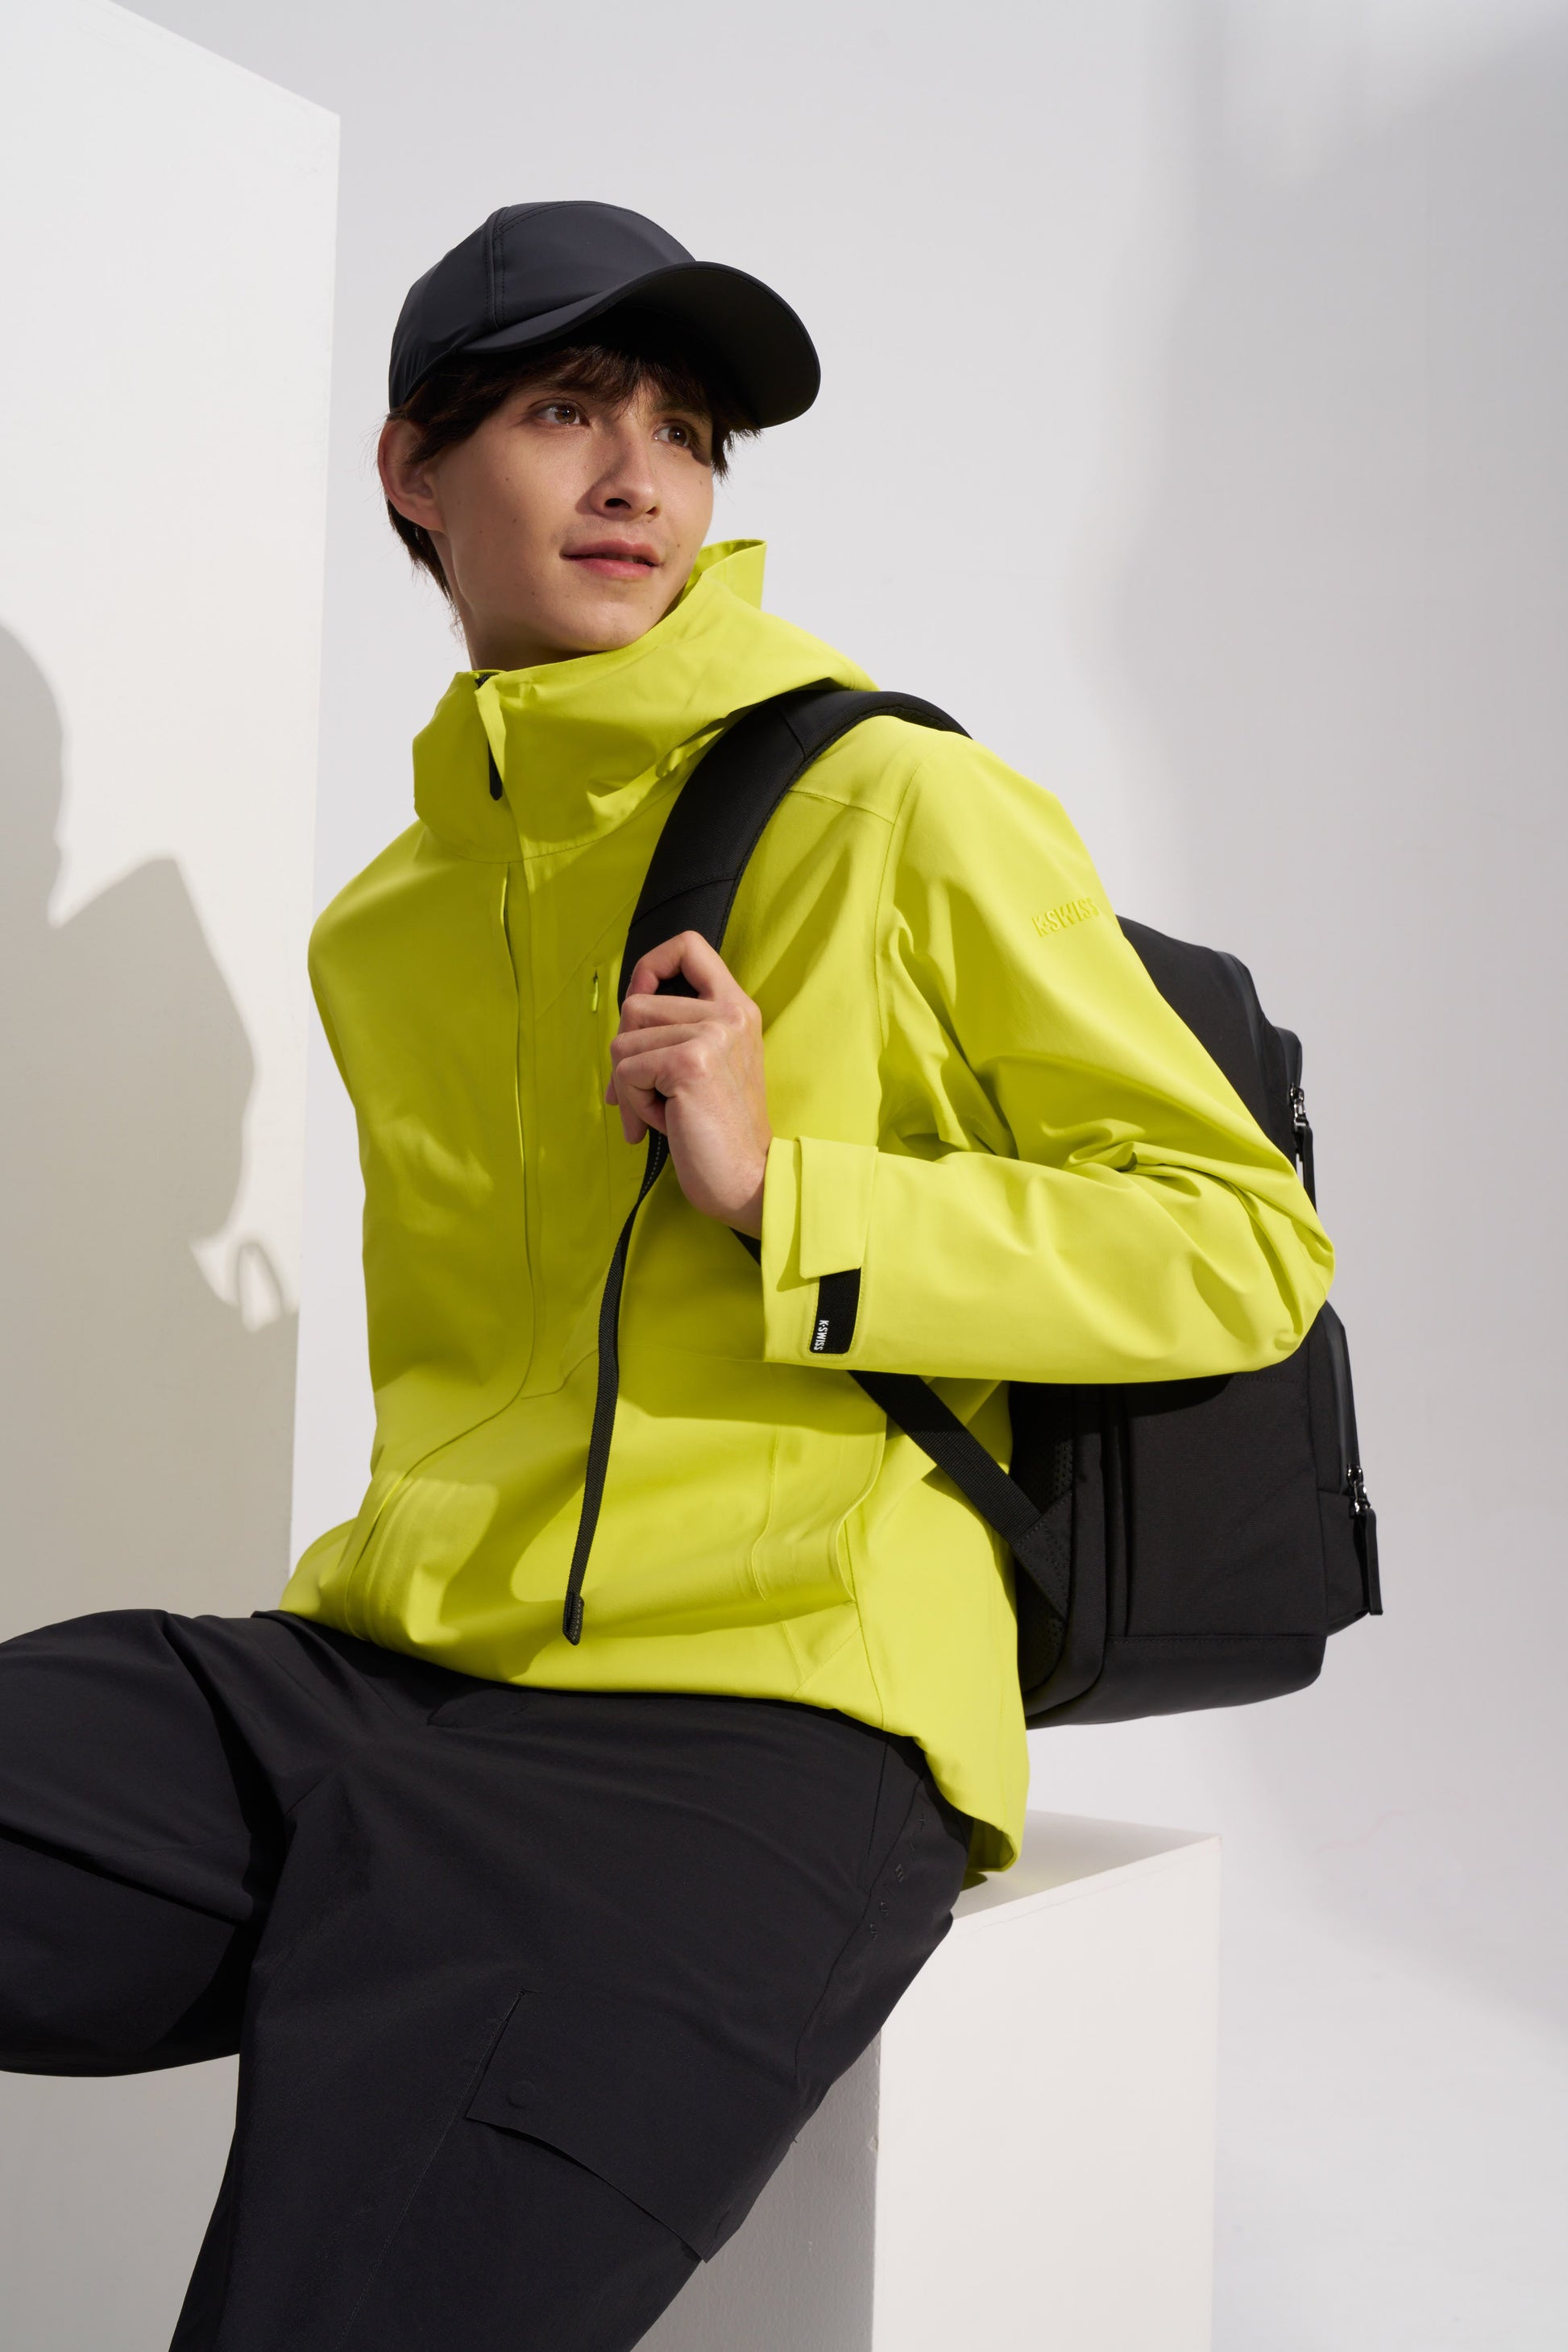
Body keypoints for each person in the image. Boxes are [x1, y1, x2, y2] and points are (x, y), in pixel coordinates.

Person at [0, 202, 1334, 2350]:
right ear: (412, 470)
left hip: (755, 1714)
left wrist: (788, 1192)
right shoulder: (385, 922)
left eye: (687, 433)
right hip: (392, 1667)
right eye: (564, 410)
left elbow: (1237, 1242)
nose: (640, 475)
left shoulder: (892, 801)